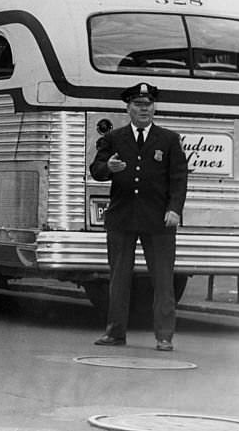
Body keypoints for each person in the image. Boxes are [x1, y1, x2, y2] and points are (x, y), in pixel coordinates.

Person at [89, 82, 188, 352]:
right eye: (138, 105)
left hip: (158, 221)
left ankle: (164, 336)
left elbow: (179, 179)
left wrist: (174, 209)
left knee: (163, 280)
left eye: (148, 105)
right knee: (119, 278)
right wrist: (108, 167)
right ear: (128, 108)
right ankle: (115, 332)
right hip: (122, 218)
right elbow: (96, 169)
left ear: (154, 108)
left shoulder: (168, 139)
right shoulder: (115, 138)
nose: (144, 110)